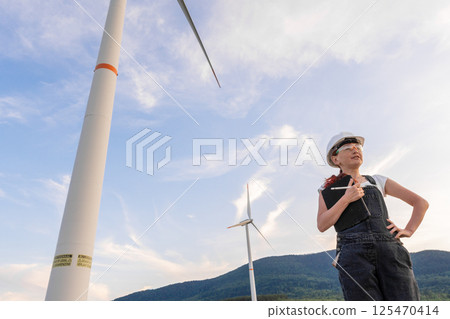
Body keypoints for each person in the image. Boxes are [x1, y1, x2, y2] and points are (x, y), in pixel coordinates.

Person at [317, 132, 429, 301]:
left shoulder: (377, 181)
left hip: (391, 252)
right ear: (336, 159)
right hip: (354, 257)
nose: (355, 150)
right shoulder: (328, 190)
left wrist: (409, 230)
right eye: (348, 148)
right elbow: (322, 224)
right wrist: (346, 199)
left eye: (358, 147)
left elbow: (420, 202)